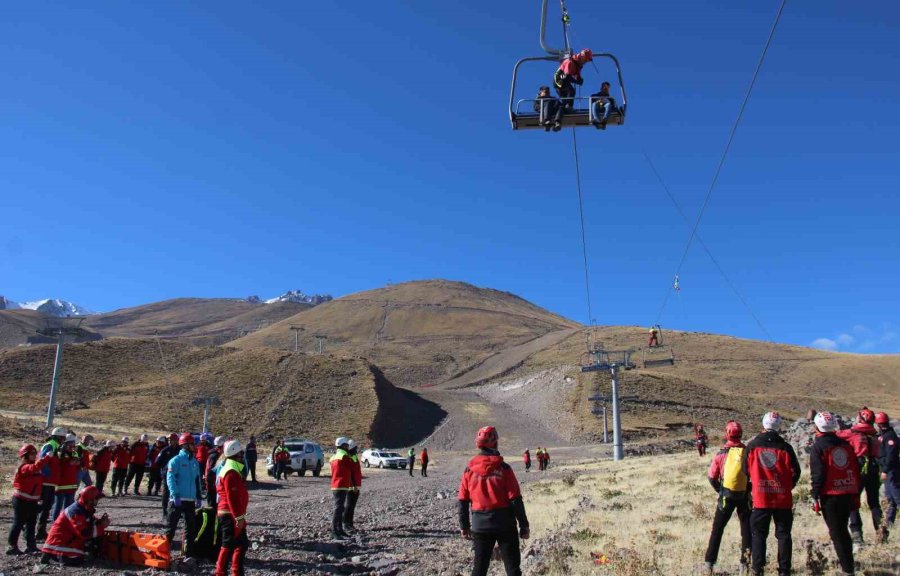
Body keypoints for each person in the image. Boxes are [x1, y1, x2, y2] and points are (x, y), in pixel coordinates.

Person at [458, 426, 530, 576]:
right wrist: (524, 525)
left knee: (479, 569)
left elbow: (463, 501)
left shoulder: (468, 470)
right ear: (494, 442)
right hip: (505, 524)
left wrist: (464, 526)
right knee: (513, 570)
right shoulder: (504, 469)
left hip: (480, 525)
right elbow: (516, 499)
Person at [741, 411, 801, 576]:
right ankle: (784, 571)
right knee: (783, 535)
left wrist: (755, 484)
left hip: (761, 498)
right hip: (782, 498)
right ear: (779, 426)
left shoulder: (752, 446)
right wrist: (787, 487)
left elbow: (745, 470)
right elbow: (796, 471)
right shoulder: (786, 448)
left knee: (759, 535)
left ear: (763, 425)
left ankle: (757, 570)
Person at [810, 411, 860, 576]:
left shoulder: (818, 447)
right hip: (847, 491)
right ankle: (848, 565)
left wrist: (814, 495)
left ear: (817, 426)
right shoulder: (845, 445)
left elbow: (818, 474)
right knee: (842, 530)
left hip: (830, 494)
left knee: (837, 532)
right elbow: (854, 468)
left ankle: (847, 569)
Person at [703, 421, 751, 575]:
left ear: (727, 434)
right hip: (744, 495)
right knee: (746, 529)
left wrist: (721, 490)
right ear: (741, 434)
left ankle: (709, 563)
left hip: (726, 496)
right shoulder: (748, 453)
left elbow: (711, 477)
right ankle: (745, 563)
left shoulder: (721, 454)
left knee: (717, 529)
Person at [836, 407, 882, 543]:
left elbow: (836, 435)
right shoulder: (874, 435)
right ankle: (881, 532)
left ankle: (857, 534)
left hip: (859, 468)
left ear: (861, 419)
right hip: (874, 468)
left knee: (853, 502)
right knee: (874, 502)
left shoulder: (853, 433)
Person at [40, 485, 109, 566]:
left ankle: (52, 555)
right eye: (96, 499)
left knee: (93, 540)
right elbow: (84, 533)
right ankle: (58, 557)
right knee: (79, 560)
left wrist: (99, 522)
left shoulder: (82, 508)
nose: (97, 502)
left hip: (59, 544)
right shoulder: (76, 512)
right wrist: (101, 526)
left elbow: (90, 522)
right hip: (59, 547)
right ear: (89, 500)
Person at [7, 444, 49, 555]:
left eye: (35, 453)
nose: (34, 455)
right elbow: (34, 468)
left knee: (31, 524)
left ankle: (31, 546)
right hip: (21, 500)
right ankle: (12, 546)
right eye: (32, 453)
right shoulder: (24, 467)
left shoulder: (34, 467)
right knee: (18, 523)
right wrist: (45, 458)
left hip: (32, 501)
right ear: (25, 455)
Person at [166, 432, 202, 561]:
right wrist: (175, 495)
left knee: (190, 529)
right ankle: (163, 553)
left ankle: (188, 554)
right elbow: (170, 478)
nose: (195, 446)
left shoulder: (195, 462)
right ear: (186, 445)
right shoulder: (175, 461)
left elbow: (197, 480)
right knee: (171, 528)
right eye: (193, 444)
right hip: (177, 500)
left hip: (190, 500)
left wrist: (198, 496)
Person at [215, 440, 249, 576]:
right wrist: (239, 518)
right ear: (235, 454)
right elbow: (232, 498)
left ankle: (234, 571)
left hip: (231, 513)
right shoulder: (231, 472)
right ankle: (221, 572)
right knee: (228, 544)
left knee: (240, 544)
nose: (242, 457)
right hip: (230, 514)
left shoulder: (231, 470)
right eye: (241, 454)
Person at [36, 426, 66, 541]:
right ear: (58, 437)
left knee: (46, 508)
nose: (63, 440)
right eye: (62, 438)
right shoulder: (51, 445)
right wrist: (47, 475)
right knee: (42, 507)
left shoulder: (55, 446)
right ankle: (29, 527)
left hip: (51, 483)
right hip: (46, 482)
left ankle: (40, 532)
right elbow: (43, 461)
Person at [876, 411, 899, 541]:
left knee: (897, 498)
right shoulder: (884, 435)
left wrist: (885, 470)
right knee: (891, 500)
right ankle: (888, 524)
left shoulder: (890, 437)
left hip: (892, 472)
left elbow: (891, 456)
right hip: (888, 471)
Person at [52, 434, 82, 521]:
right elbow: (71, 462)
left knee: (69, 508)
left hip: (71, 484)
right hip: (61, 484)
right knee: (58, 506)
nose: (72, 446)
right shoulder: (60, 453)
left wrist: (76, 460)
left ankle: (66, 524)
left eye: (73, 444)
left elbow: (78, 463)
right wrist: (73, 460)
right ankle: (55, 523)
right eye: (71, 444)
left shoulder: (74, 453)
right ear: (65, 444)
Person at [330, 437, 354, 539]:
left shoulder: (333, 457)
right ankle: (335, 531)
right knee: (338, 508)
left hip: (336, 484)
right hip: (342, 485)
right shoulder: (344, 456)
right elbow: (351, 466)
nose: (348, 447)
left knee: (339, 508)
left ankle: (339, 530)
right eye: (347, 446)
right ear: (344, 445)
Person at [156, 433, 180, 520]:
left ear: (176, 441)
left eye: (172, 440)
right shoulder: (165, 450)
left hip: (178, 475)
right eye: (169, 440)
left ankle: (176, 511)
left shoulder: (180, 450)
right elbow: (157, 461)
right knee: (166, 493)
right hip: (167, 475)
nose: (170, 441)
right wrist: (165, 467)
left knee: (177, 492)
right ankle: (165, 512)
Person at [344, 439, 362, 532]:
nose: (356, 449)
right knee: (349, 505)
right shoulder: (350, 457)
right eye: (355, 447)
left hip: (355, 485)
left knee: (352, 506)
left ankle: (350, 523)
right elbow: (350, 473)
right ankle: (346, 524)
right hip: (352, 486)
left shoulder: (353, 456)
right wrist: (354, 485)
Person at [206, 436, 226, 508]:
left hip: (217, 486)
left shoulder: (219, 455)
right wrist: (211, 486)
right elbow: (210, 473)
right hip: (213, 488)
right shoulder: (214, 456)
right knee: (213, 509)